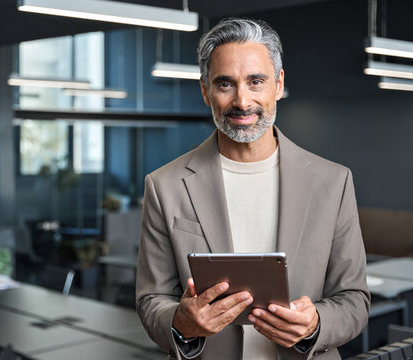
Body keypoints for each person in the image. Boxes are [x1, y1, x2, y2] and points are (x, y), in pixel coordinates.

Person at [135, 18, 369, 359]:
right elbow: (150, 299)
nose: (242, 101)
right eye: (225, 84)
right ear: (205, 90)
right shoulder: (164, 185)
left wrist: (315, 324)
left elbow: (354, 300)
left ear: (278, 84)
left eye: (256, 81)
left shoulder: (332, 181)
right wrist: (181, 322)